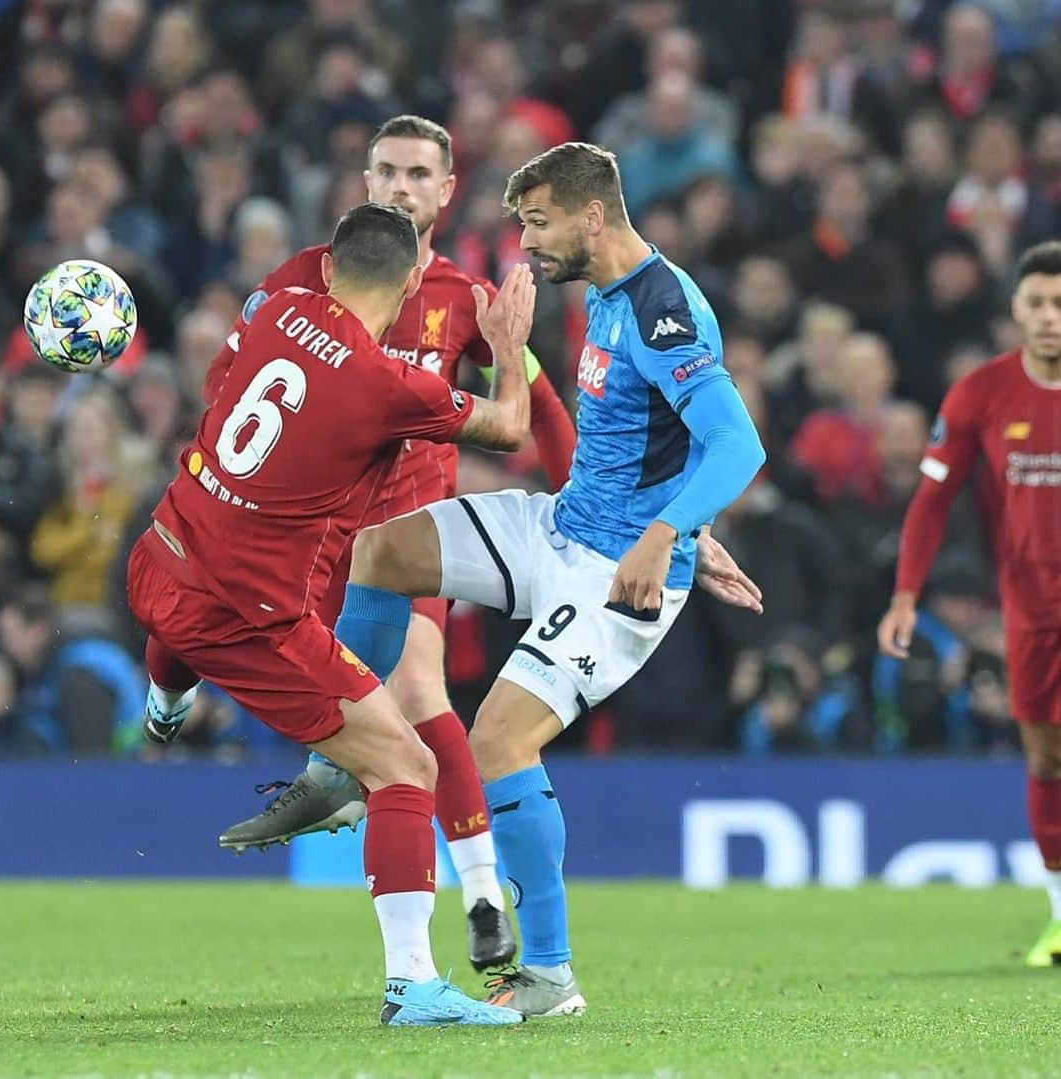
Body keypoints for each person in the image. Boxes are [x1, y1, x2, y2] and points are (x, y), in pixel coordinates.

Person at [328, 143, 766, 1016]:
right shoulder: (604, 296)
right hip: (561, 526)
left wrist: (670, 533)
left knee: (498, 742)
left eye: (537, 222)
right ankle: (340, 753)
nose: (526, 243)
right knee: (382, 551)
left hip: (615, 577)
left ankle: (552, 975)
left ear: (591, 215)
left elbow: (737, 444)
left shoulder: (663, 306)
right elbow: (647, 444)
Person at [125, 202, 532, 1027]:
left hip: (160, 548)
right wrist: (512, 349)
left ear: (329, 267)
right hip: (245, 616)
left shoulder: (279, 308)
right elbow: (512, 426)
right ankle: (413, 985)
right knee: (404, 766)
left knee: (178, 627)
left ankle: (165, 701)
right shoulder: (384, 384)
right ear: (413, 276)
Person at [188, 115, 577, 973]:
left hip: (408, 536)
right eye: (386, 172)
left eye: (418, 175)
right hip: (310, 538)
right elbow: (226, 389)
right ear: (364, 184)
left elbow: (538, 411)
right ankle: (341, 791)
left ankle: (477, 898)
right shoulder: (303, 281)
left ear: (446, 191)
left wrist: (588, 508)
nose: (400, 188)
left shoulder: (465, 299)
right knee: (372, 709)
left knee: (414, 684)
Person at [878, 241, 1061, 966]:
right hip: (1032, 607)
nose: (1051, 316)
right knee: (1046, 760)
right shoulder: (981, 393)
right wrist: (905, 597)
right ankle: (1058, 918)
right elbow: (930, 501)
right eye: (1038, 303)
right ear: (1016, 310)